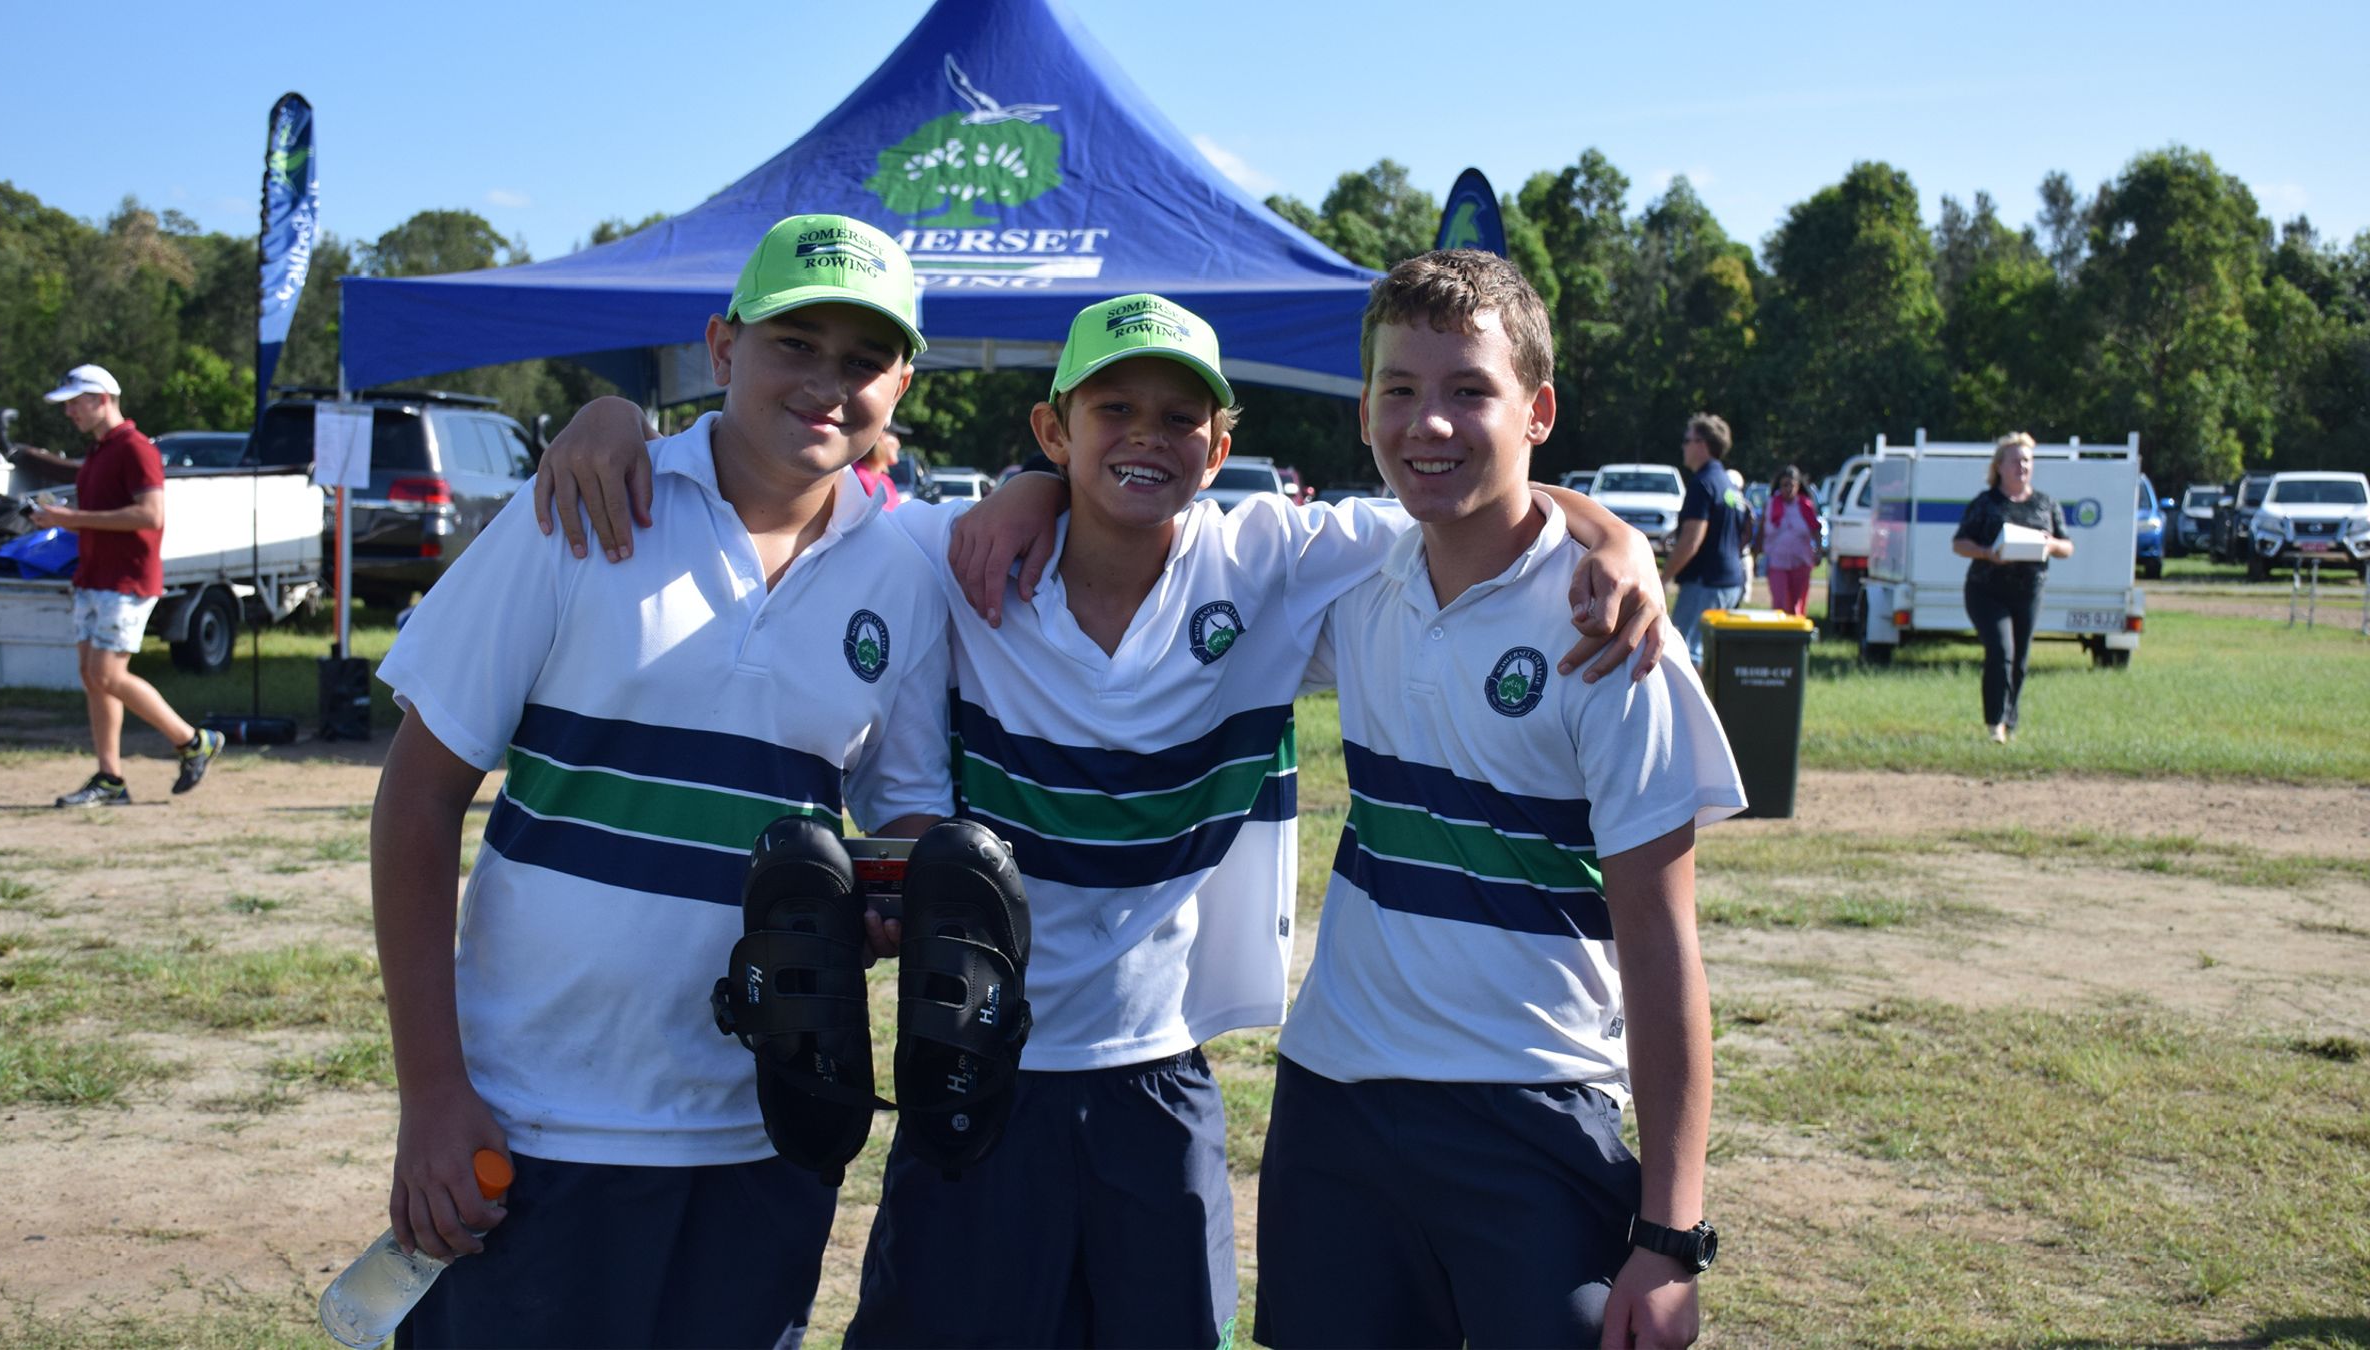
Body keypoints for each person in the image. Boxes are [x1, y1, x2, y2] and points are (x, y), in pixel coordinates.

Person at [530, 293, 1672, 1348]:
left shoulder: (1271, 562)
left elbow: (1482, 507)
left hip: (1159, 1074)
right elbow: (804, 496)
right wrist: (615, 418)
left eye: (1179, 418)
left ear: (1218, 450)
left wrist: (1614, 536)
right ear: (1052, 429)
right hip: (973, 1071)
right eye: (1112, 409)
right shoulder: (953, 557)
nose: (1145, 436)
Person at [367, 214, 956, 1348]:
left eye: (863, 359)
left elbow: (903, 813)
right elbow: (419, 797)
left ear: (901, 385)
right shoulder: (582, 501)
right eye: (796, 343)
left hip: (767, 1129)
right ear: (722, 347)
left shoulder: (905, 575)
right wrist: (433, 1094)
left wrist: (905, 893)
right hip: (536, 1123)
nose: (827, 383)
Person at [1253, 249, 1744, 1350]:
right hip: (1335, 1105)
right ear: (1365, 413)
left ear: (1539, 412)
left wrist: (1671, 1238)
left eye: (1470, 389)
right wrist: (1036, 488)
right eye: (1399, 390)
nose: (1429, 422)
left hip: (1531, 1107)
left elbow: (1663, 945)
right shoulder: (1354, 581)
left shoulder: (1612, 633)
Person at [28, 364, 225, 807]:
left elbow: (151, 515)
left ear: (102, 399)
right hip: (95, 577)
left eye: (75, 404)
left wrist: (72, 518)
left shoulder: (135, 448)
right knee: (92, 677)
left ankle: (193, 741)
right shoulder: (99, 451)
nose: (69, 413)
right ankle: (110, 778)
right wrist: (59, 519)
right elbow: (104, 513)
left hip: (126, 581)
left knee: (107, 674)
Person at [1952, 432, 2073, 743]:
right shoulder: (1986, 503)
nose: (2023, 466)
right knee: (2001, 651)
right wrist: (1987, 553)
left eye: (2027, 461)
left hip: (2028, 591)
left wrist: (2051, 544)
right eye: (2016, 461)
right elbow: (1959, 543)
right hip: (1987, 591)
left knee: (2019, 659)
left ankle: (2010, 721)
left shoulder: (2045, 503)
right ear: (2000, 466)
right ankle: (1995, 723)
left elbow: (2067, 547)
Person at [1662, 412, 1748, 663]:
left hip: (1705, 582)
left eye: (1687, 440)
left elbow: (1691, 540)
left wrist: (1664, 577)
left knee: (1684, 653)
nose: (1683, 447)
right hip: (1731, 582)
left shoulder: (1702, 483)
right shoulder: (1727, 484)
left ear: (1702, 444)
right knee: (1711, 653)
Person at [1761, 464, 1822, 617]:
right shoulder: (1771, 505)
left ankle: (1795, 631)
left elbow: (1815, 529)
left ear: (1798, 485)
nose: (1788, 489)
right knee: (1780, 604)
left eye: (1791, 485)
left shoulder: (1806, 506)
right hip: (1777, 561)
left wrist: (1819, 551)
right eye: (1784, 485)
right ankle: (1778, 631)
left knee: (1796, 606)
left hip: (1801, 561)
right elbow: (1762, 530)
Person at [853, 427, 901, 510]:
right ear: (881, 437)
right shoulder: (857, 477)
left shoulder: (884, 479)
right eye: (894, 436)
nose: (898, 445)